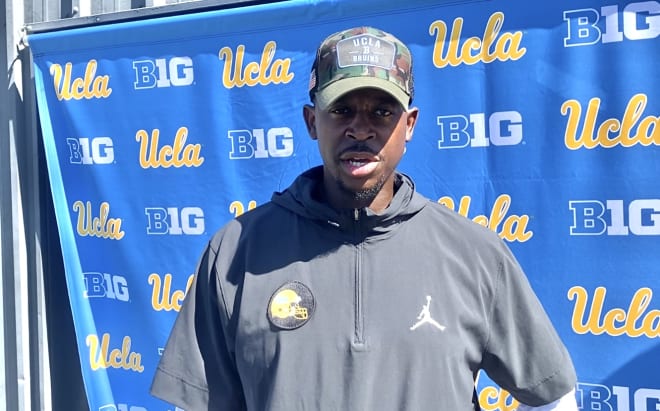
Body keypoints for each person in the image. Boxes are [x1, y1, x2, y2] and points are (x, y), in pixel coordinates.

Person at [150, 26, 578, 410]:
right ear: (311, 121)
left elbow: (552, 395)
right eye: (341, 110)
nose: (360, 129)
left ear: (409, 125)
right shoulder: (235, 251)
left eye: (381, 111)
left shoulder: (476, 254)